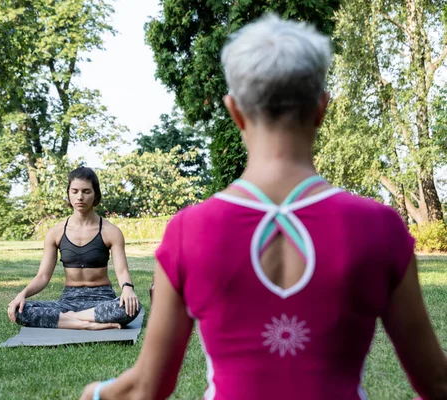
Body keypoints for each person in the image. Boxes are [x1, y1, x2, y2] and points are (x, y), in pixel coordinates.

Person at [80, 14, 447, 400]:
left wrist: (95, 393)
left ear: (234, 110)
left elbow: (147, 387)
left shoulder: (190, 230)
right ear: (321, 108)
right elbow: (437, 383)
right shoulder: (379, 227)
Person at [8, 167, 141, 330]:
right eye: (75, 191)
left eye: (86, 191)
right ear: (69, 194)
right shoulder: (55, 232)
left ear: (95, 194)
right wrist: (21, 295)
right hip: (68, 301)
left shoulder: (110, 231)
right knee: (20, 310)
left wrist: (127, 289)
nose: (80, 197)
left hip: (102, 300)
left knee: (131, 307)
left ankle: (70, 320)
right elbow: (42, 276)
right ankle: (88, 325)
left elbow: (121, 271)